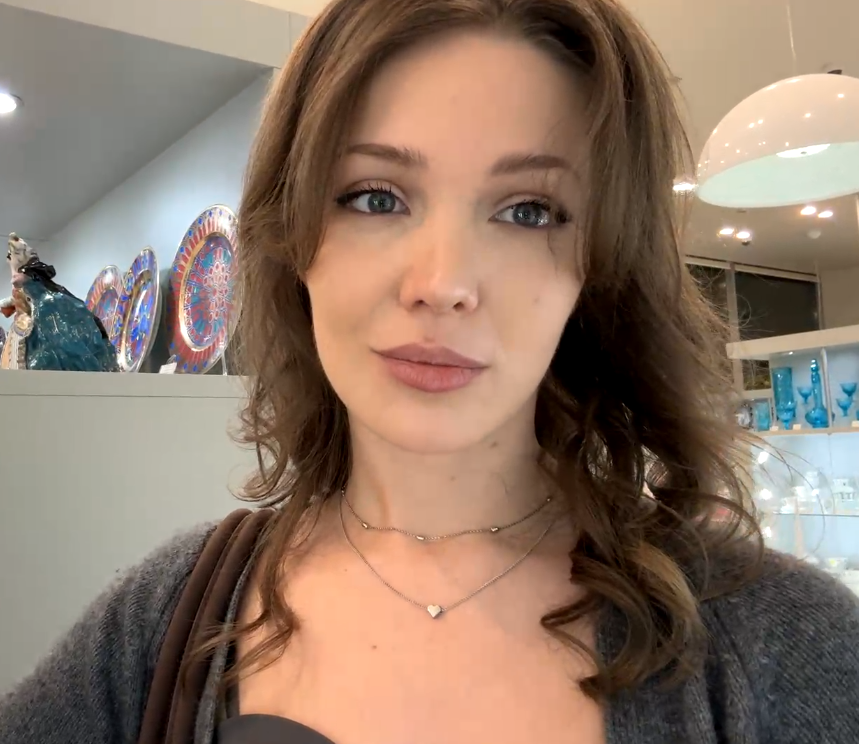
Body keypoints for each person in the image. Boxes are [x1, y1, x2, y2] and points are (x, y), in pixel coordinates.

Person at [2, 0, 858, 742]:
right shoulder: (167, 618)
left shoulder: (778, 642)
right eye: (375, 197)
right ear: (292, 239)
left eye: (528, 211)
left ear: (597, 272)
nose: (442, 283)